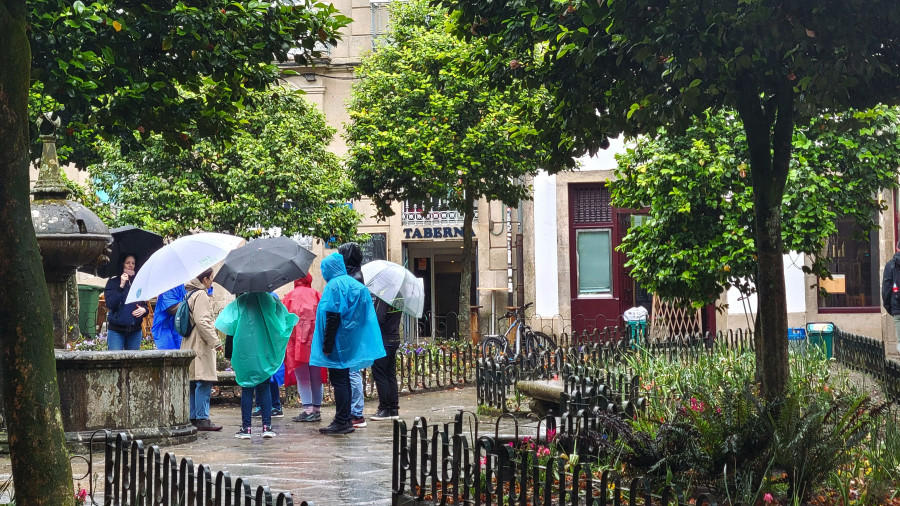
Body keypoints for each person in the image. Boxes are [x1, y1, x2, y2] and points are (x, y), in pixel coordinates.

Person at [310, 253, 385, 434]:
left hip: (337, 342)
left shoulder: (334, 287)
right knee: (345, 378)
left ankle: (342, 420)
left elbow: (332, 316)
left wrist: (327, 346)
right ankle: (347, 418)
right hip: (350, 341)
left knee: (340, 381)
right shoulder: (356, 285)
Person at [216, 291, 298, 440]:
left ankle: (246, 428)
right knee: (264, 387)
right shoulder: (269, 300)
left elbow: (227, 325)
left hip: (245, 351)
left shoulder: (241, 302)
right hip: (264, 351)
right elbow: (282, 320)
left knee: (247, 388)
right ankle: (267, 426)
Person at [181, 268, 223, 431]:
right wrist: (216, 342)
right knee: (204, 381)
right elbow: (202, 321)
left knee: (193, 381)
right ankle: (202, 417)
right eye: (211, 278)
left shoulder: (189, 294)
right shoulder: (201, 295)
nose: (212, 281)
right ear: (205, 279)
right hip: (201, 344)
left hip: (190, 342)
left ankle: (193, 416)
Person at [283, 273, 324, 422]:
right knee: (316, 376)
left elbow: (283, 320)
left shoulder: (289, 296)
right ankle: (317, 410)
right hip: (315, 342)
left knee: (303, 378)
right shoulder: (316, 295)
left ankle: (307, 410)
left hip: (296, 342)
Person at [338, 242, 368, 428]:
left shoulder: (353, 278)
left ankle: (357, 412)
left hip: (351, 330)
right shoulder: (356, 275)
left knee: (352, 372)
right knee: (351, 371)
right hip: (353, 329)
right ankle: (354, 411)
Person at [104, 253, 148, 350]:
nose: (131, 265)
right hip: (117, 330)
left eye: (133, 263)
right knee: (116, 361)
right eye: (128, 263)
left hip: (135, 330)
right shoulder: (113, 282)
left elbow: (144, 304)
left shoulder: (138, 283)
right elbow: (111, 304)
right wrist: (121, 286)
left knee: (133, 362)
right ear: (122, 264)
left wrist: (144, 310)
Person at [370, 297, 402, 421]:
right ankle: (393, 408)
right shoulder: (399, 297)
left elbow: (378, 318)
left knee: (379, 373)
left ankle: (384, 408)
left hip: (383, 339)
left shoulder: (384, 297)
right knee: (390, 373)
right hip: (394, 337)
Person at [151, 285, 186, 350]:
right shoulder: (168, 288)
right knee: (170, 355)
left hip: (178, 327)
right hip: (166, 327)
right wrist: (190, 302)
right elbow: (172, 308)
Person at [882, 241, 900, 353]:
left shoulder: (890, 265)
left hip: (898, 308)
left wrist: (890, 307)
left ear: (897, 248)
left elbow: (887, 290)